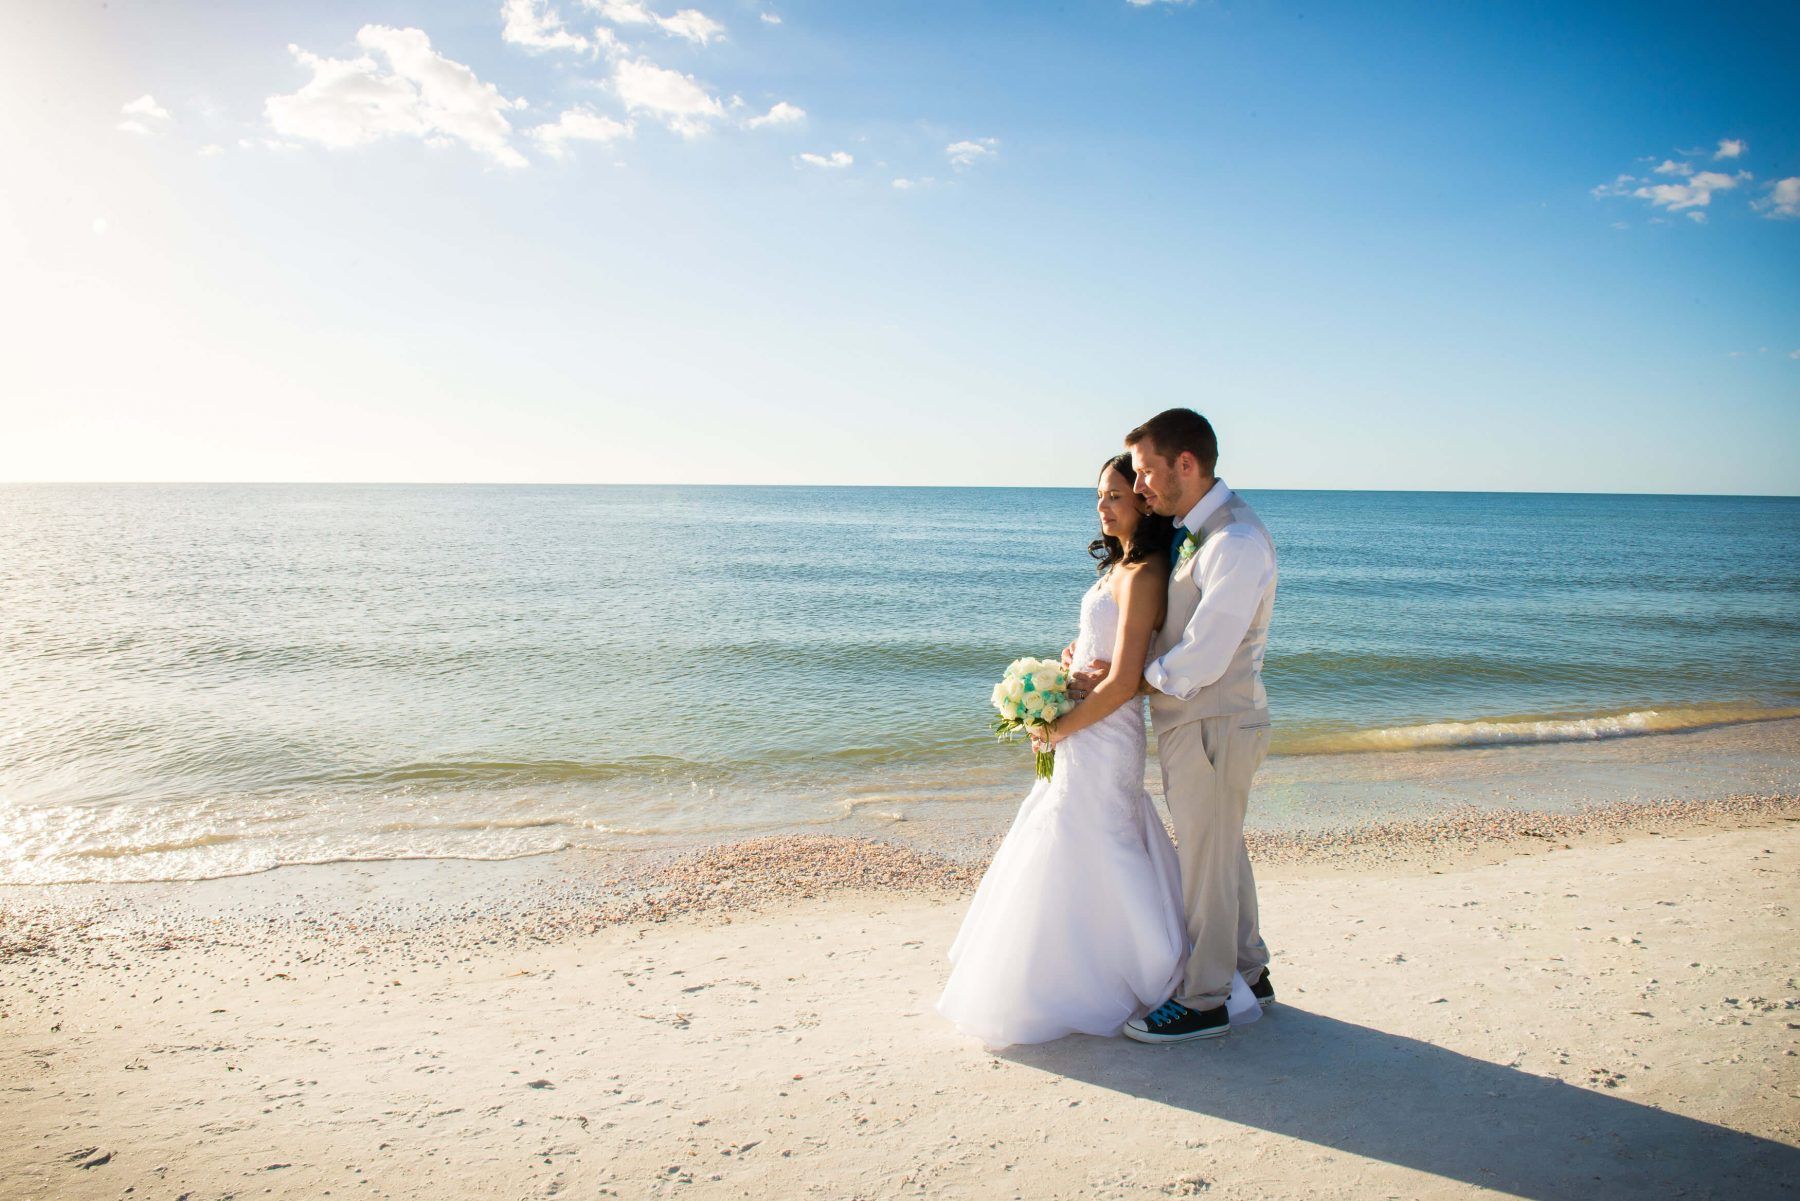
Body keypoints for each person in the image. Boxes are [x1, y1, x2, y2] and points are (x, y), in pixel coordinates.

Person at [936, 455, 1198, 1047]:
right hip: (1087, 722)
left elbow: (1126, 680)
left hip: (1104, 732)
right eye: (1099, 496)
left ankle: (1145, 970)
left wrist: (1060, 729)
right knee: (1070, 831)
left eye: (1114, 496)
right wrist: (1071, 663)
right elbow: (1109, 653)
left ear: (1144, 500)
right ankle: (1060, 969)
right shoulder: (1121, 567)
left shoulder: (1147, 570)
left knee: (1097, 834)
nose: (1102, 507)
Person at [1071, 408, 1279, 1044]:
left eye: (1144, 473)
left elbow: (1205, 655)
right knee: (1222, 849)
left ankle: (1206, 998)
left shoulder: (1235, 543)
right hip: (1200, 722)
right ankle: (1251, 969)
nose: (1139, 489)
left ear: (1184, 465)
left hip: (1214, 721)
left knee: (1207, 861)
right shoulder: (1202, 532)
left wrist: (1131, 680)